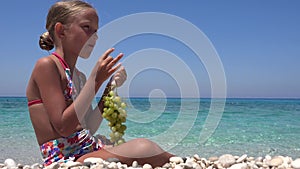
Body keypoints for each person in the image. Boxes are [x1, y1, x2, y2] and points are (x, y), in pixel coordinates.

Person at [26, 0, 173, 167]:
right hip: (65, 159)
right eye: (86, 27)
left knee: (143, 149)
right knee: (143, 147)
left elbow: (89, 126)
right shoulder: (47, 66)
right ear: (61, 31)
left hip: (86, 149)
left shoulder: (79, 77)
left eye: (96, 31)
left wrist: (109, 88)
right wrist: (95, 80)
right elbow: (63, 128)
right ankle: (182, 161)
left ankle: (179, 160)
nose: (94, 36)